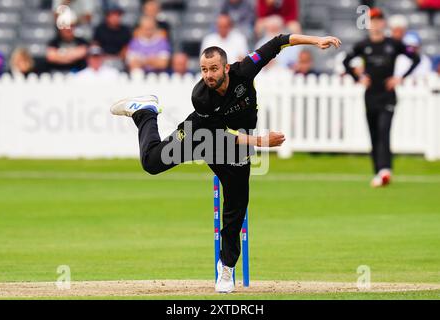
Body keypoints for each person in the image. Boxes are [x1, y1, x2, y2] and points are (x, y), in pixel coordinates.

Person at [110, 33, 341, 293]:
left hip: (234, 149)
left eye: (213, 69)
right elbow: (221, 137)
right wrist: (260, 141)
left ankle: (226, 268)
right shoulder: (201, 97)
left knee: (236, 206)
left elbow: (279, 42)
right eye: (204, 70)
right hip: (201, 134)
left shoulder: (245, 70)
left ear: (226, 67)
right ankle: (145, 112)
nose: (208, 75)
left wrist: (315, 40)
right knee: (152, 162)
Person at [343, 8, 420, 188]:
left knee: (384, 130)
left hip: (388, 95)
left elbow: (414, 58)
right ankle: (378, 172)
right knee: (374, 133)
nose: (376, 24)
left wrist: (400, 78)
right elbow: (346, 61)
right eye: (372, 21)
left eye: (379, 20)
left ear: (383, 23)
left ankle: (385, 169)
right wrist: (358, 78)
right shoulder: (363, 45)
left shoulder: (394, 44)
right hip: (370, 95)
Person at [93, 4, 132, 70]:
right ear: (107, 16)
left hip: (120, 59)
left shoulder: (125, 30)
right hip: (102, 59)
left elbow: (127, 47)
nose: (115, 17)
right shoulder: (100, 29)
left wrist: (118, 57)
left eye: (118, 15)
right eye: (113, 15)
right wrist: (102, 57)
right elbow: (95, 45)